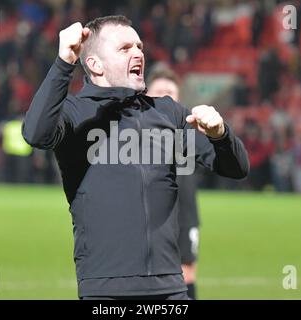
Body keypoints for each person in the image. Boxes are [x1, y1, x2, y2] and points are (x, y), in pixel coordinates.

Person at [22, 15, 249, 300]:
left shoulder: (168, 112)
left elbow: (237, 168)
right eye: (125, 48)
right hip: (105, 292)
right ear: (95, 65)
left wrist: (221, 134)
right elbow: (35, 134)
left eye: (139, 46)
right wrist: (64, 62)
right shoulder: (74, 113)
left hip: (170, 290)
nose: (138, 52)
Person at [146, 64, 200, 299]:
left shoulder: (187, 135)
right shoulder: (127, 135)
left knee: (185, 277)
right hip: (140, 227)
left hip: (181, 222)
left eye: (171, 94)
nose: (165, 99)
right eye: (159, 93)